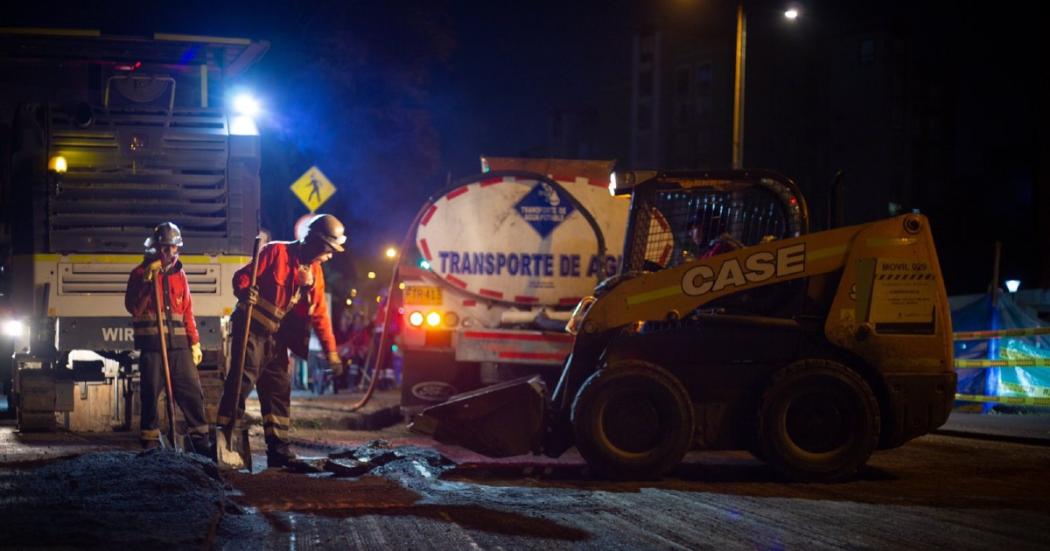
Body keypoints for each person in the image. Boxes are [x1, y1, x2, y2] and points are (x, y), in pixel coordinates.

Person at [216, 214, 346, 468]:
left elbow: (320, 316)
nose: (329, 256)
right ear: (316, 242)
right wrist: (246, 290)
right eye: (328, 250)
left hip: (277, 338)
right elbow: (241, 278)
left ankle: (278, 447)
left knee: (279, 387)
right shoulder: (276, 252)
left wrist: (332, 354)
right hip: (251, 330)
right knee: (242, 380)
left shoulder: (315, 274)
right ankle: (223, 436)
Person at [124, 222, 211, 456]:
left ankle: (201, 441)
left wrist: (194, 341)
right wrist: (147, 282)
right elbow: (134, 309)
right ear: (155, 249)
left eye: (173, 248)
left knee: (192, 392)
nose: (169, 253)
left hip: (180, 348)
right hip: (153, 349)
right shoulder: (139, 274)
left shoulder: (180, 275)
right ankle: (150, 444)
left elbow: (187, 312)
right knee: (150, 396)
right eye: (165, 248)